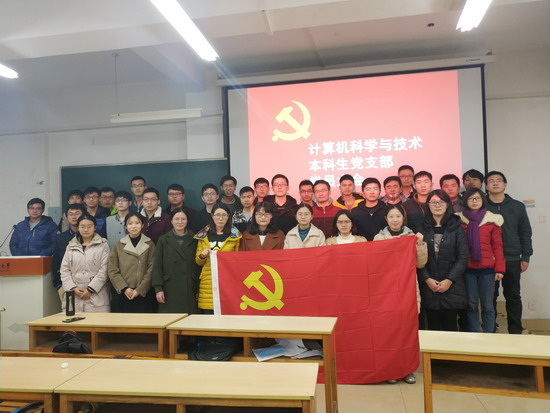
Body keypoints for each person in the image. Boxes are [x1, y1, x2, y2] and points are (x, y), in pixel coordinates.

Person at [373, 203, 427, 384]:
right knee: (389, 332)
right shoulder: (379, 237)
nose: (395, 220)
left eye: (398, 216)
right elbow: (376, 265)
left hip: (407, 288)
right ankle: (391, 369)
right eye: (391, 217)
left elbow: (420, 263)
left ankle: (408, 369)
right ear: (386, 219)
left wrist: (420, 244)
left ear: (403, 218)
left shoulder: (412, 237)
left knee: (407, 331)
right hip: (385, 290)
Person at [486, 171, 533, 334]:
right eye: (491, 181)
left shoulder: (517, 206)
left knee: (513, 296)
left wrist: (525, 256)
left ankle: (515, 330)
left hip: (512, 258)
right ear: (486, 186)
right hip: (489, 259)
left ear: (505, 184)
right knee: (489, 297)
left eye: (499, 180)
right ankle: (490, 329)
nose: (495, 183)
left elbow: (525, 232)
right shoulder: (481, 206)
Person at [418, 190, 468, 331]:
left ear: (448, 204)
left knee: (450, 326)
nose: (437, 205)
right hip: (429, 285)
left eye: (441, 202)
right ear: (428, 205)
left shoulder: (456, 227)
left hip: (452, 286)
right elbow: (417, 257)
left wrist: (449, 280)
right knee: (433, 326)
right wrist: (427, 279)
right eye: (433, 202)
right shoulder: (423, 227)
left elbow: (463, 256)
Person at [458, 188, 505, 333]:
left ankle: (488, 335)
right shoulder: (459, 220)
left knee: (487, 305)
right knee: (471, 304)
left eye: (477, 198)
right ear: (465, 201)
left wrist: (500, 269)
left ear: (482, 200)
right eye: (471, 198)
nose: (474, 201)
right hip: (468, 269)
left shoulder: (492, 220)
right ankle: (474, 334)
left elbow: (498, 246)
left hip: (487, 269)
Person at [195, 204, 241, 312]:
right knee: (208, 315)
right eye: (218, 215)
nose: (221, 218)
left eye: (224, 215)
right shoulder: (203, 235)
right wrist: (202, 256)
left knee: (227, 313)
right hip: (208, 281)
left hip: (228, 280)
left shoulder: (236, 236)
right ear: (212, 216)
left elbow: (238, 262)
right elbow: (198, 261)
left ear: (228, 216)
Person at [60, 214, 110, 313]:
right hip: (74, 294)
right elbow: (64, 270)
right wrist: (73, 288)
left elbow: (104, 270)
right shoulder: (70, 246)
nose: (86, 229)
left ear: (95, 227)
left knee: (97, 322)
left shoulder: (103, 245)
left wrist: (90, 289)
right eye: (82, 227)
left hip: (97, 295)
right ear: (78, 228)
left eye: (89, 226)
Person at [153, 208, 199, 313]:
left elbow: (198, 265)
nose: (180, 222)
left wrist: (197, 288)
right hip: (169, 287)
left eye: (183, 219)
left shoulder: (195, 239)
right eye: (177, 219)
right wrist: (158, 288)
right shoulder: (163, 240)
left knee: (189, 319)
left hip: (189, 286)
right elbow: (157, 266)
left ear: (187, 221)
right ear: (171, 221)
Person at [108, 212, 155, 313]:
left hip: (143, 293)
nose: (133, 226)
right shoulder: (118, 245)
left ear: (142, 225)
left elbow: (151, 269)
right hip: (123, 293)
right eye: (130, 223)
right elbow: (112, 269)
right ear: (125, 226)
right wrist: (124, 288)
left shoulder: (150, 244)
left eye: (137, 223)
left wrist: (139, 290)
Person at [52, 203, 85, 301]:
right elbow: (56, 262)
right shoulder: (60, 238)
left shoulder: (93, 237)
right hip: (66, 284)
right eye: (70, 214)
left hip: (88, 284)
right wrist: (58, 284)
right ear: (66, 217)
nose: (74, 217)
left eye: (77, 213)